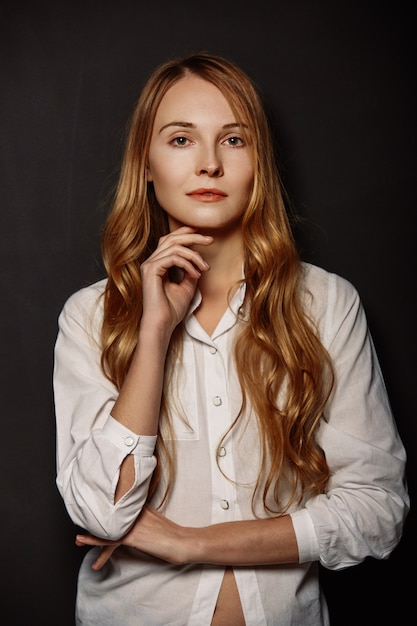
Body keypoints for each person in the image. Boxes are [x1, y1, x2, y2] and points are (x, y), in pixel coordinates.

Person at [53, 52, 409, 626]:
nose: (209, 165)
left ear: (257, 162)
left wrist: (193, 544)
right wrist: (153, 334)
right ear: (145, 162)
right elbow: (102, 512)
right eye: (180, 140)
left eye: (234, 140)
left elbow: (378, 511)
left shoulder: (326, 305)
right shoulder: (89, 316)